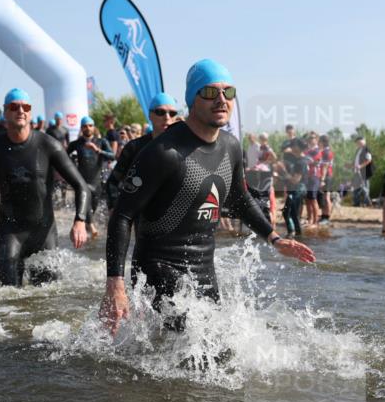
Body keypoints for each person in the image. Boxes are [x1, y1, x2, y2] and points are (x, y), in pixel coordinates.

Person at [98, 59, 314, 336]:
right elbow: (123, 215)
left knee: (220, 347)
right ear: (192, 100)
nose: (221, 100)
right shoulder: (163, 152)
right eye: (210, 93)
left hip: (204, 269)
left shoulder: (230, 147)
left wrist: (275, 238)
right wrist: (115, 285)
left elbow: (240, 199)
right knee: (193, 349)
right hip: (159, 266)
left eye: (228, 92)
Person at [0, 88, 89, 286]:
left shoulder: (48, 145)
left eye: (25, 107)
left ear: (29, 113)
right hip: (10, 233)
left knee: (48, 302)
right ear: (5, 112)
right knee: (7, 299)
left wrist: (79, 220)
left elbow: (81, 186)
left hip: (43, 234)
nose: (20, 110)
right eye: (14, 107)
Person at [103, 92, 178, 211]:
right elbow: (112, 182)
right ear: (150, 115)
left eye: (172, 113)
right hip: (142, 218)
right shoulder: (134, 147)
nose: (167, 117)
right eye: (160, 112)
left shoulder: (185, 146)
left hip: (174, 217)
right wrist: (115, 211)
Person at [67, 116, 116, 238]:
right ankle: (92, 228)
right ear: (81, 128)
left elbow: (112, 156)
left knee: (91, 209)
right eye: (85, 126)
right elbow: (63, 156)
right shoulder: (76, 143)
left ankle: (85, 228)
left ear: (94, 127)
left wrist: (98, 150)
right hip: (82, 181)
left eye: (90, 125)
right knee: (86, 202)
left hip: (96, 182)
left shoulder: (102, 142)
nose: (87, 128)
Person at [352, 136, 373, 207]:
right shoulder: (358, 150)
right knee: (356, 187)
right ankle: (356, 203)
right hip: (357, 172)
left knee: (365, 188)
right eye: (357, 142)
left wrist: (360, 166)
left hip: (364, 172)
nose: (358, 143)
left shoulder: (366, 149)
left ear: (363, 141)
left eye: (359, 142)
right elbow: (356, 160)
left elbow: (369, 160)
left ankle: (366, 203)